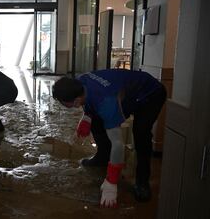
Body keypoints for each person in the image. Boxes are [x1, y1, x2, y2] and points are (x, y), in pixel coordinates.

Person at [52, 69, 166, 207]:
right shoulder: (81, 81)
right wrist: (87, 118)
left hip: (150, 94)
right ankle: (103, 156)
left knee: (141, 133)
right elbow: (88, 99)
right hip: (127, 92)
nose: (62, 106)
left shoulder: (106, 102)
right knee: (97, 119)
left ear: (76, 101)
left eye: (63, 103)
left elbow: (118, 144)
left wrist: (112, 181)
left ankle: (142, 182)